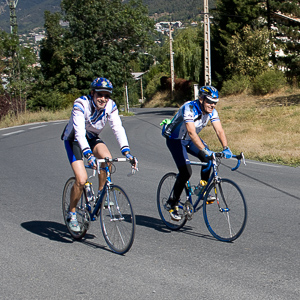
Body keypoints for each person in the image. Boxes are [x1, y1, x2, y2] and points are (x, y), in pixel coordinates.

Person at [62, 77, 138, 232]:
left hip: (91, 137)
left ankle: (101, 194)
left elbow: (118, 128)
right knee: (82, 179)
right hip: (74, 139)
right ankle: (72, 213)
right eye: (100, 94)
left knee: (107, 159)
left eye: (107, 95)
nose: (103, 98)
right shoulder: (81, 104)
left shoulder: (111, 106)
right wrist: (88, 155)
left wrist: (127, 151)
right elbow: (79, 134)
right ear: (92, 93)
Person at [161, 85, 232, 221]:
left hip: (189, 140)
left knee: (209, 160)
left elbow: (219, 130)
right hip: (175, 140)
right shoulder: (189, 108)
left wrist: (225, 147)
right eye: (210, 101)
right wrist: (205, 150)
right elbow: (192, 132)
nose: (212, 105)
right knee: (186, 172)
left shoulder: (212, 112)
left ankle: (201, 188)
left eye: (215, 102)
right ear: (201, 99)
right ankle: (172, 203)